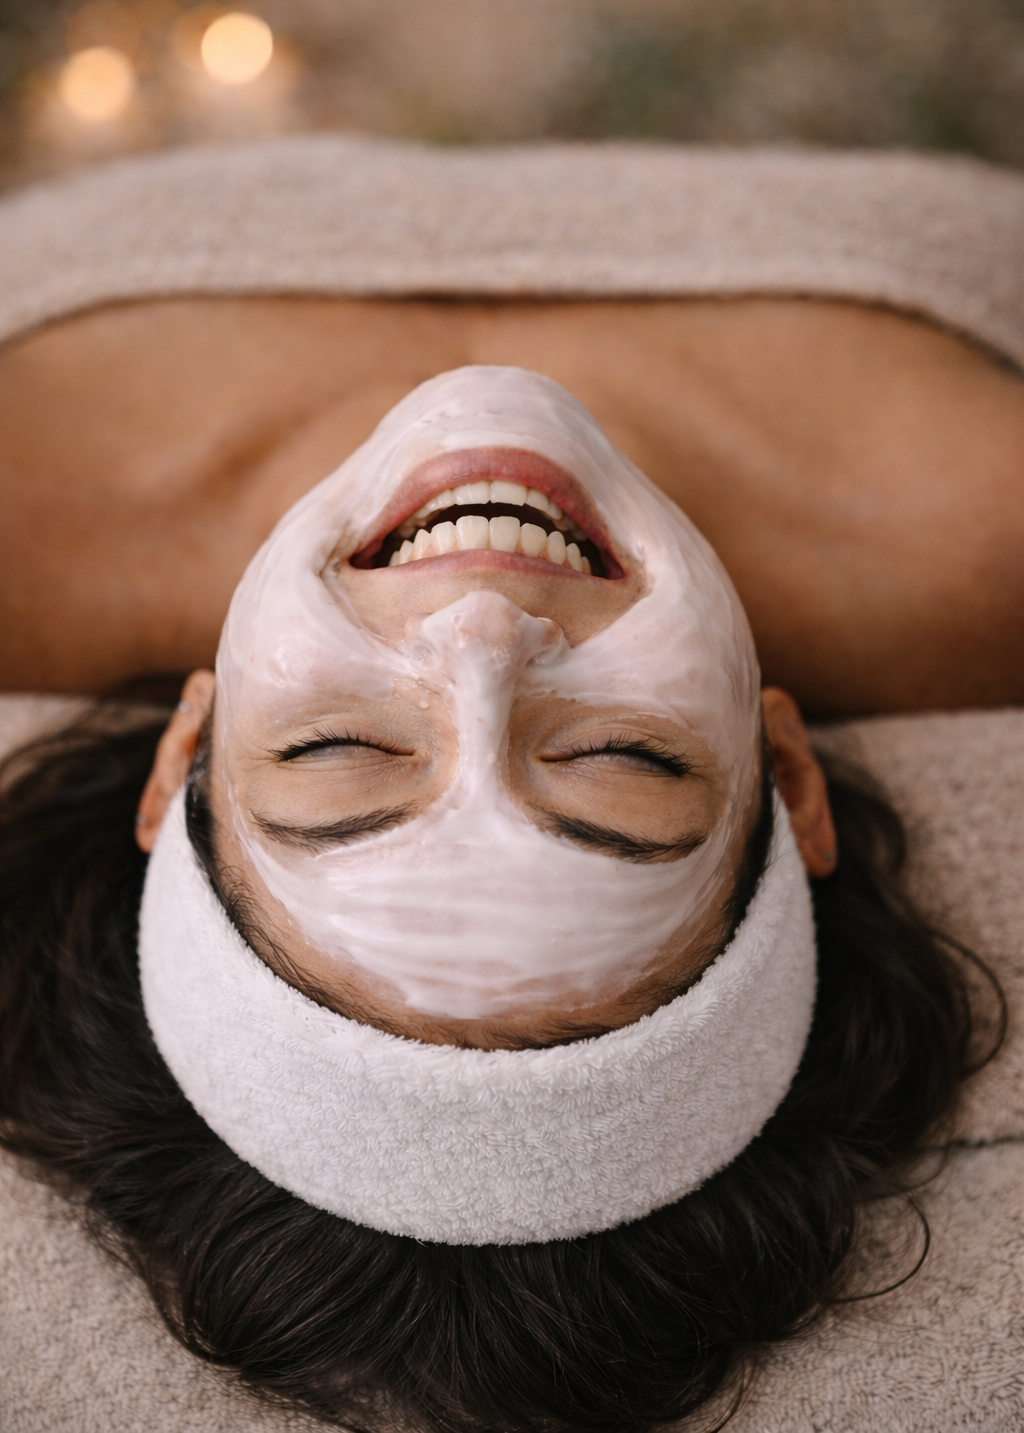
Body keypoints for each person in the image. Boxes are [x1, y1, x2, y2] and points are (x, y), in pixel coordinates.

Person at [0, 139, 1016, 1430]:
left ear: (179, 754)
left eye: (336, 751)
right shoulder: (980, 540)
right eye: (621, 759)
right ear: (791, 775)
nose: (480, 636)